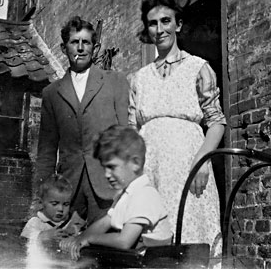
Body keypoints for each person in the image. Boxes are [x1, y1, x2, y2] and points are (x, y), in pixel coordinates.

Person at [128, 0, 227, 267]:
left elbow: (217, 122)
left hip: (188, 168)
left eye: (165, 21)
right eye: (152, 24)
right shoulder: (139, 78)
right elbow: (132, 130)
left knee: (191, 242)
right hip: (151, 171)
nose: (159, 29)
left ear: (178, 25)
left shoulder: (199, 68)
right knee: (155, 249)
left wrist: (202, 160)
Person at [35, 16, 130, 226]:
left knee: (106, 249)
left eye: (85, 42)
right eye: (74, 42)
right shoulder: (51, 93)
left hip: (107, 184)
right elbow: (46, 151)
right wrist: (41, 196)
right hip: (68, 188)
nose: (80, 48)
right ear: (63, 47)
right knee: (67, 250)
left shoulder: (115, 82)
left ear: (94, 48)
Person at [59, 125, 173, 260]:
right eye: (105, 168)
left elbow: (124, 241)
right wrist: (79, 239)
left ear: (135, 163)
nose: (107, 174)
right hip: (135, 258)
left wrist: (90, 239)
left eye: (112, 167)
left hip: (153, 262)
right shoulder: (126, 194)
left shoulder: (144, 195)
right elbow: (106, 222)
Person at [20, 175, 85, 245]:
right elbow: (23, 243)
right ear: (41, 203)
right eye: (55, 204)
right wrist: (43, 236)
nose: (61, 209)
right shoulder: (36, 222)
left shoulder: (72, 222)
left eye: (66, 204)